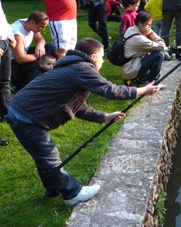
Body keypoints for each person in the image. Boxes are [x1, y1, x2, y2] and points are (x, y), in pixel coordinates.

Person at [4, 37, 162, 205]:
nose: (103, 61)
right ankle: (72, 193)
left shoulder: (72, 67)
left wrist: (104, 117)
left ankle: (53, 189)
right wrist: (142, 90)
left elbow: (76, 107)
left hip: (21, 113)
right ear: (93, 56)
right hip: (27, 118)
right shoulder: (82, 68)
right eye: (101, 57)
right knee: (49, 157)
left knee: (42, 157)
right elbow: (110, 90)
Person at [11, 11, 55, 91]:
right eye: (41, 27)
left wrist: (40, 45)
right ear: (32, 22)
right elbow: (20, 59)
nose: (43, 29)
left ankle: (47, 75)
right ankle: (32, 84)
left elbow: (40, 39)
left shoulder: (29, 24)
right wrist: (39, 56)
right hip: (13, 64)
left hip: (24, 54)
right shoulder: (17, 34)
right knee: (37, 64)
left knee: (50, 47)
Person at [121, 11, 166, 85]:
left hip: (127, 68)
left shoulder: (131, 29)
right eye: (148, 25)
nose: (149, 28)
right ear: (140, 24)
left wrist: (148, 31)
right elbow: (162, 46)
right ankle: (151, 82)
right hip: (131, 70)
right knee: (159, 54)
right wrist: (151, 33)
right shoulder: (140, 40)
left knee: (152, 56)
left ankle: (138, 79)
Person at [0, 0, 16, 122]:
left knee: (5, 81)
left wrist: (9, 32)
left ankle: (7, 115)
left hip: (4, 41)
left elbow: (2, 16)